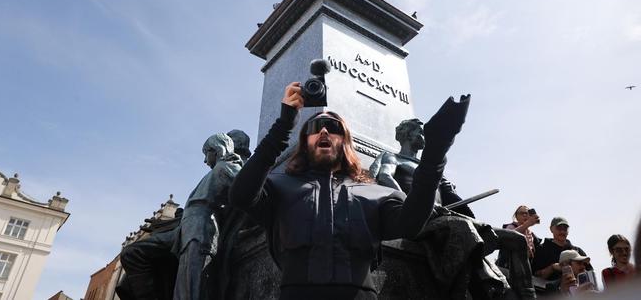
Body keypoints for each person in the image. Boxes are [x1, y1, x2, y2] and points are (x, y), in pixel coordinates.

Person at [230, 82, 470, 299]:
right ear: (305, 142)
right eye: (315, 127)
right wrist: (283, 126)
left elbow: (410, 223)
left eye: (333, 127)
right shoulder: (279, 186)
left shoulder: (376, 192)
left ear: (344, 143)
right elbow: (240, 196)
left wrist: (435, 153)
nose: (324, 131)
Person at [172, 133, 243, 299]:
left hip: (201, 229)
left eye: (206, 153)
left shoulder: (226, 167)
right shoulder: (218, 170)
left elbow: (247, 189)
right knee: (187, 286)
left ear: (217, 150)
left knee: (193, 286)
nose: (205, 160)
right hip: (191, 230)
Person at [369, 118, 474, 217]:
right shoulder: (393, 158)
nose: (425, 137)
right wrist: (410, 204)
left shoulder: (428, 165)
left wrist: (447, 188)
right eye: (420, 133)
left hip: (440, 212)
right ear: (408, 135)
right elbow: (384, 176)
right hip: (414, 217)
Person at [532, 217, 590, 282]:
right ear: (551, 229)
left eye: (565, 229)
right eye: (559, 228)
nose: (562, 231)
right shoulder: (541, 249)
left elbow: (590, 274)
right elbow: (534, 276)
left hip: (579, 290)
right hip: (550, 291)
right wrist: (552, 268)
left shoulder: (578, 251)